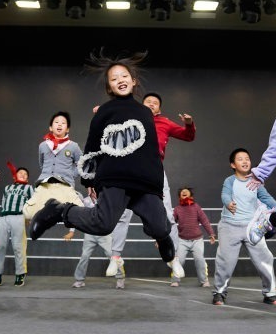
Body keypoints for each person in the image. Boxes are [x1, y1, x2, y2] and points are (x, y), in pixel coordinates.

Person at [28, 49, 184, 279]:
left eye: (124, 76)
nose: (120, 80)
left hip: (143, 181)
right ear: (109, 87)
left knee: (160, 225)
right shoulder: (104, 111)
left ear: (133, 81)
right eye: (114, 78)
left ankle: (163, 239)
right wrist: (89, 180)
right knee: (103, 225)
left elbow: (151, 150)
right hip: (115, 177)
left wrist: (157, 185)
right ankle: (59, 210)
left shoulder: (145, 112)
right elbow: (92, 146)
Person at [105, 92, 196, 278]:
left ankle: (174, 258)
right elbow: (110, 128)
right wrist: (103, 113)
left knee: (167, 213)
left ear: (159, 108)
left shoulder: (165, 122)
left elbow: (188, 136)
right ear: (142, 105)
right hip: (130, 169)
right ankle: (115, 257)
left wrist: (189, 124)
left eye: (155, 103)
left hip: (154, 170)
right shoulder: (131, 118)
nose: (152, 104)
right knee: (123, 214)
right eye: (148, 102)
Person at [212, 148, 276, 306]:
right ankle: (219, 292)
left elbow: (266, 198)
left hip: (252, 227)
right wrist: (228, 203)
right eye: (240, 159)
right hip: (229, 227)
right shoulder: (230, 181)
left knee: (265, 259)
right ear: (233, 165)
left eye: (247, 158)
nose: (245, 161)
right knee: (226, 262)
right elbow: (225, 194)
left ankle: (270, 293)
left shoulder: (256, 181)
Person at [71, 195, 126, 289]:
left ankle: (120, 278)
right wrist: (71, 231)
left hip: (104, 234)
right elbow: (77, 214)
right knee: (84, 256)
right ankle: (79, 280)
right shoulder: (86, 201)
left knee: (112, 255)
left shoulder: (107, 199)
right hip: (90, 233)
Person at [0, 166, 32, 287]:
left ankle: (20, 273)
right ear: (15, 175)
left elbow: (32, 203)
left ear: (27, 178)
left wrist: (28, 218)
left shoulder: (29, 188)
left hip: (19, 217)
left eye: (25, 174)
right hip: (4, 217)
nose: (23, 175)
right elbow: (3, 202)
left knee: (18, 246)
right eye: (21, 173)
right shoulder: (7, 188)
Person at [171, 187, 215, 287]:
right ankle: (175, 280)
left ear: (190, 195)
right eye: (182, 191)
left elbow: (204, 221)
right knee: (179, 260)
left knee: (200, 260)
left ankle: (204, 281)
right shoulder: (177, 209)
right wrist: (161, 238)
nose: (184, 192)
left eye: (186, 191)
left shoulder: (196, 207)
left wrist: (211, 234)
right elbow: (171, 224)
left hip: (197, 240)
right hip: (182, 240)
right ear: (179, 196)